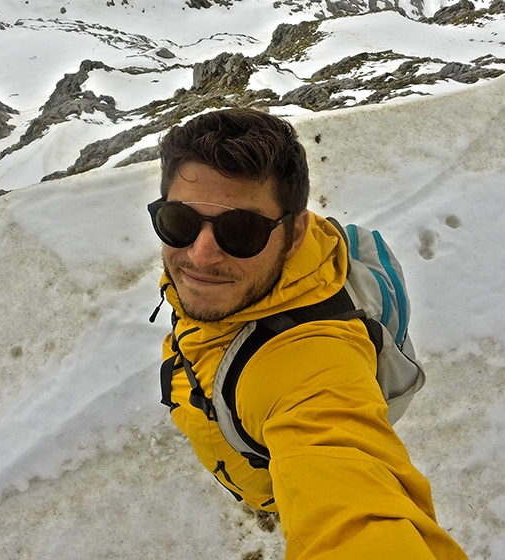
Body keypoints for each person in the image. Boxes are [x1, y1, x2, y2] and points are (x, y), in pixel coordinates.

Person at [148, 107, 467, 559]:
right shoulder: (246, 275)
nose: (200, 256)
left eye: (242, 231)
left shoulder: (309, 368)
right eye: (178, 221)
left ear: (296, 233)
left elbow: (356, 514)